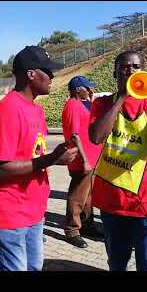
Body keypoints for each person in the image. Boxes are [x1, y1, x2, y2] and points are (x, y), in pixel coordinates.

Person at [0, 46, 79, 271]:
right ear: (31, 74)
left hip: (33, 209)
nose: (53, 76)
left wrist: (57, 155)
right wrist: (52, 159)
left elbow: (32, 153)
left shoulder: (35, 110)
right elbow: (2, 169)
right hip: (9, 213)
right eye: (48, 71)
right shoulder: (7, 110)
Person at [88, 51, 147, 271]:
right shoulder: (103, 104)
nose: (130, 71)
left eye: (135, 66)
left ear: (144, 71)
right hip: (114, 202)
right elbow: (96, 136)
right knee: (117, 263)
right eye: (124, 67)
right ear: (115, 72)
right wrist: (121, 97)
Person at [61, 76, 104, 248]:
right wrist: (85, 160)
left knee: (88, 196)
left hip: (92, 158)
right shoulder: (72, 105)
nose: (91, 90)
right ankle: (72, 230)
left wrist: (92, 99)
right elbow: (74, 135)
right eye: (88, 88)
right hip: (82, 159)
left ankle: (87, 225)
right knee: (78, 195)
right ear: (79, 89)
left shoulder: (85, 103)